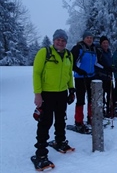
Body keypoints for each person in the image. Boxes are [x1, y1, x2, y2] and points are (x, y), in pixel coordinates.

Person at [32, 29, 75, 169]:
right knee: (45, 122)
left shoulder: (69, 55)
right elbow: (36, 73)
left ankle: (60, 141)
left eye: (63, 40)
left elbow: (69, 74)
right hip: (46, 93)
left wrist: (71, 89)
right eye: (58, 40)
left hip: (62, 93)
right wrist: (38, 94)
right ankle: (41, 154)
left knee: (61, 118)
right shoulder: (44, 52)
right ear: (54, 40)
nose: (60, 42)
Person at [71, 30, 97, 132]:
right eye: (87, 38)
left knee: (91, 99)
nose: (89, 39)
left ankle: (91, 119)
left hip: (91, 77)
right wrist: (79, 71)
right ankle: (78, 122)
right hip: (80, 78)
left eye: (91, 38)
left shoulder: (94, 48)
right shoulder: (78, 48)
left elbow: (97, 63)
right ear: (83, 39)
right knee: (81, 99)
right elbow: (71, 63)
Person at [95, 36, 117, 117]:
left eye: (106, 43)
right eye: (104, 43)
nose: (105, 44)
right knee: (101, 95)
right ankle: (101, 111)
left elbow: (110, 62)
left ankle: (110, 109)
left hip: (109, 76)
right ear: (101, 44)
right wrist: (105, 68)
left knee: (111, 94)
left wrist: (113, 68)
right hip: (101, 77)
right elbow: (96, 63)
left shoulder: (108, 52)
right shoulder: (99, 52)